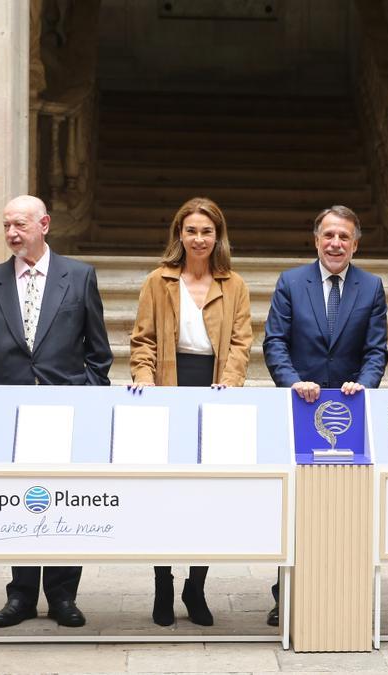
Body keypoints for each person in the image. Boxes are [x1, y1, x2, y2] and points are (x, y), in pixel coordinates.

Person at [0, 195, 113, 628]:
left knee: (67, 499)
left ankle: (63, 595)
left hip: (67, 411)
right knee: (18, 502)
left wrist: (86, 396)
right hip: (9, 415)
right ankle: (22, 595)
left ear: (44, 224)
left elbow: (99, 352)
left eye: (20, 225)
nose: (12, 233)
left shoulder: (79, 276)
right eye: (6, 225)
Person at [262, 204, 388, 626]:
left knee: (346, 510)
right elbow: (275, 342)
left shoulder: (371, 287)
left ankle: (342, 594)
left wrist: (364, 386)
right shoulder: (291, 282)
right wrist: (293, 382)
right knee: (297, 508)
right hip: (301, 409)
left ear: (355, 244)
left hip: (348, 415)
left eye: (344, 237)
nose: (336, 243)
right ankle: (287, 595)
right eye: (329, 235)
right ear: (316, 240)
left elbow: (376, 350)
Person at [127, 197, 252, 627]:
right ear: (179, 234)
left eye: (206, 231)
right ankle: (162, 582)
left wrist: (230, 382)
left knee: (207, 496)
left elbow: (241, 343)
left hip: (214, 390)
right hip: (168, 387)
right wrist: (144, 377)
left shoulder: (233, 284)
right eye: (191, 230)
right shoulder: (158, 281)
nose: (199, 239)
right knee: (163, 494)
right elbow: (142, 340)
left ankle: (196, 585)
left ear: (218, 236)